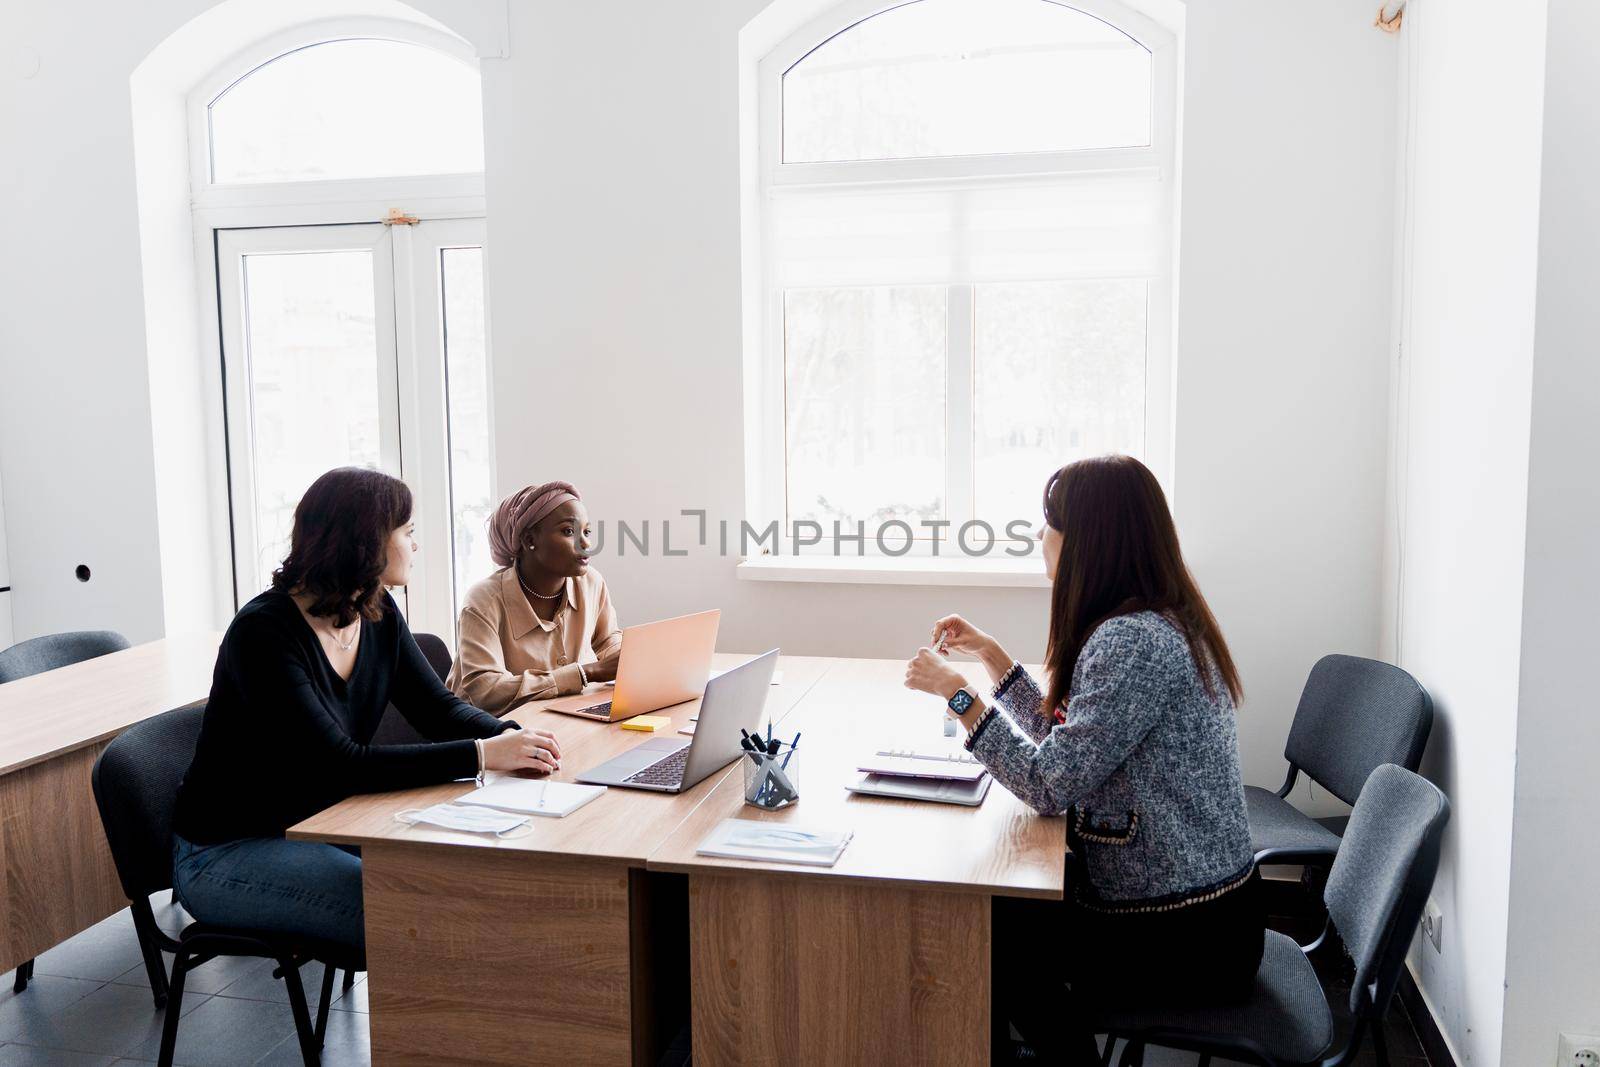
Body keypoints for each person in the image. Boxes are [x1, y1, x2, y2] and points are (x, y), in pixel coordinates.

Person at [902, 455, 1261, 1055]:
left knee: (991, 931)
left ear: (1088, 540)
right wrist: (990, 656)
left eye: (1050, 524)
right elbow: (1072, 745)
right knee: (1007, 909)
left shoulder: (1133, 641)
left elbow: (1048, 785)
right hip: (1209, 911)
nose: (1042, 538)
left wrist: (956, 694)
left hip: (1189, 934)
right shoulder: (1158, 617)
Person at [171, 467, 563, 953]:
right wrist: (484, 754)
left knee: (468, 877)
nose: (416, 546)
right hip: (227, 851)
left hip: (326, 822)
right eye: (409, 533)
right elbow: (339, 766)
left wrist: (514, 738)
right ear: (366, 541)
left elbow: (437, 707)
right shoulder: (264, 634)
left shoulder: (374, 610)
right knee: (412, 911)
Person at [448, 481, 623, 714]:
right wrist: (588, 672)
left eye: (587, 531)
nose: (586, 543)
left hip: (555, 721)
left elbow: (606, 640)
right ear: (530, 540)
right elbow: (486, 691)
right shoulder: (483, 601)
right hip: (488, 734)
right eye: (568, 531)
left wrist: (627, 659)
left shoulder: (591, 582)